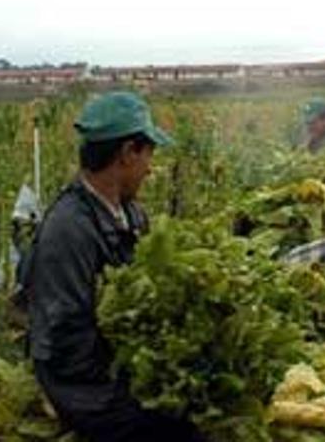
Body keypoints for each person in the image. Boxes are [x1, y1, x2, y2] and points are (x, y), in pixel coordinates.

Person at [18, 92, 205, 442]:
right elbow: (66, 349)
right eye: (149, 154)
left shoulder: (130, 212)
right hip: (82, 388)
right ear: (127, 153)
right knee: (182, 430)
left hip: (121, 367)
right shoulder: (68, 231)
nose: (151, 168)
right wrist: (135, 391)